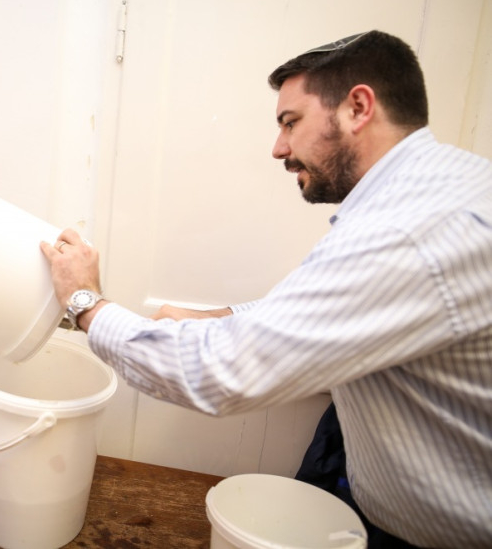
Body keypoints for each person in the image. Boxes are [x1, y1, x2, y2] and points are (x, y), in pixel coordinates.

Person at [41, 30, 492, 548]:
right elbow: (320, 304)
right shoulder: (446, 185)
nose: (279, 148)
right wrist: (220, 319)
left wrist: (85, 302)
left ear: (358, 108)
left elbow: (221, 373)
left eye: (290, 122)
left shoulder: (405, 233)